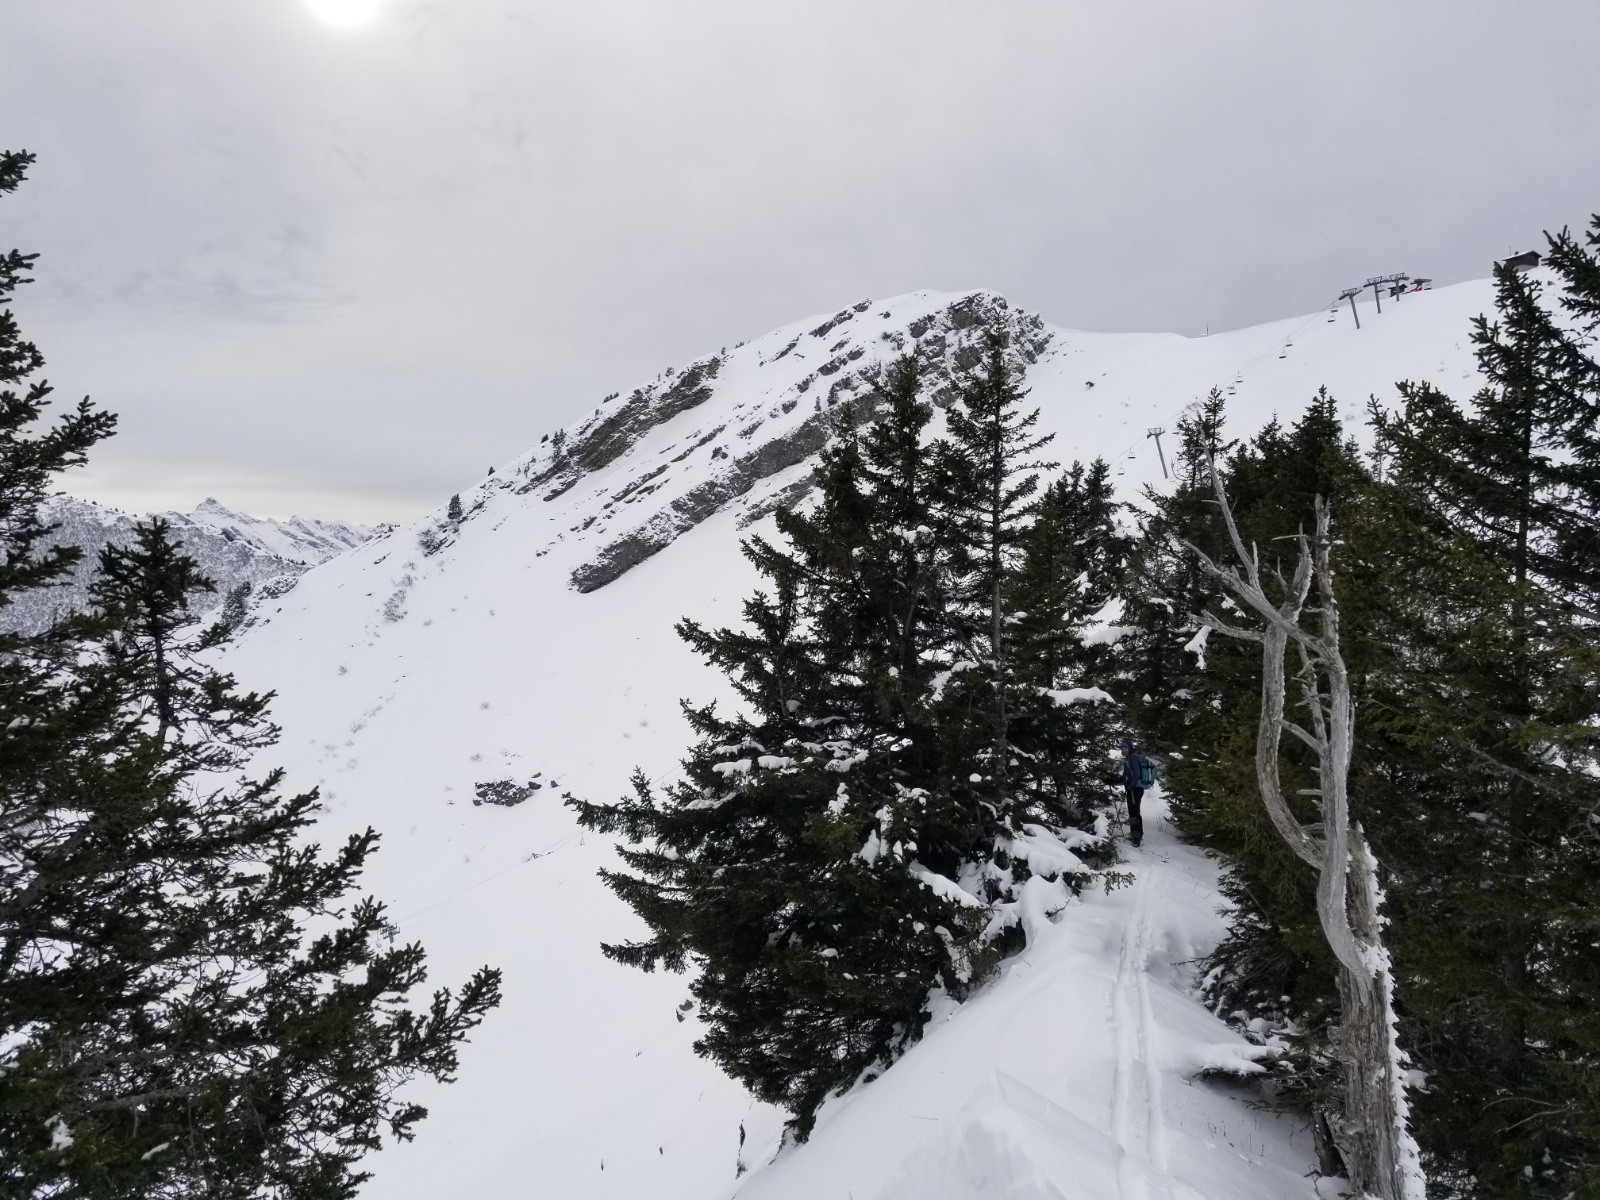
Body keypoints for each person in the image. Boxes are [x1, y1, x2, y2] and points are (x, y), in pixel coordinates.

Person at [1118, 737, 1146, 847]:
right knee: (1133, 812)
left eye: (1124, 748)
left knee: (1134, 813)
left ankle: (1136, 839)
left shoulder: (1133, 758)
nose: (1122, 750)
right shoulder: (1129, 757)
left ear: (1129, 747)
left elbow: (1137, 774)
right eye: (1121, 748)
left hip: (1135, 790)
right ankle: (1136, 834)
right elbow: (1127, 775)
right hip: (1133, 789)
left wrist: (1130, 786)